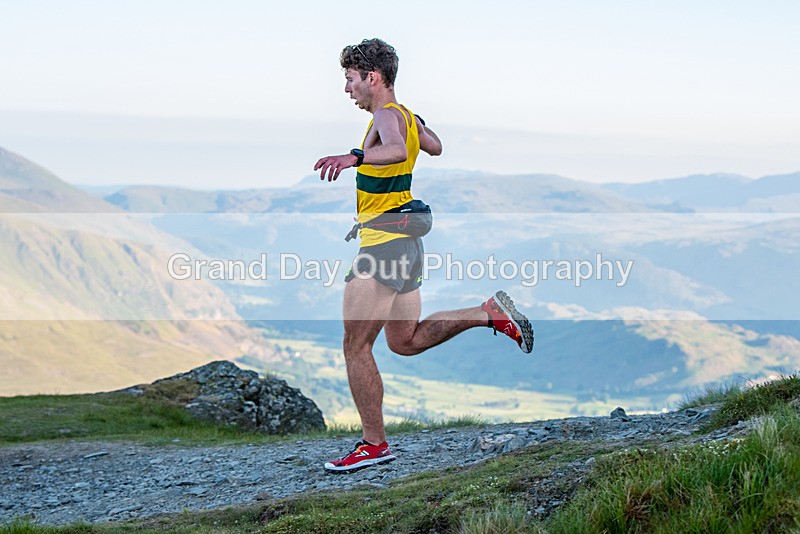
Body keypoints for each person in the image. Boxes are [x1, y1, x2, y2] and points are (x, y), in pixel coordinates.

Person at [314, 38, 534, 473]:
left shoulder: (385, 115)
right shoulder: (403, 116)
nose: (346, 89)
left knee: (356, 345)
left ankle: (373, 445)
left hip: (384, 242)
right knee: (405, 339)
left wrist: (354, 156)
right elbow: (433, 146)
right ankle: (488, 312)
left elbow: (396, 150)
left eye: (350, 79)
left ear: (371, 78)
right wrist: (409, 123)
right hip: (408, 241)